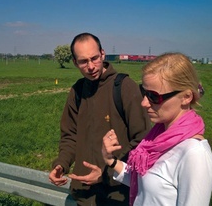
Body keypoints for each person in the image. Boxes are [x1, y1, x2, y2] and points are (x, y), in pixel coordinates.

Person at [49, 32, 151, 205]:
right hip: (84, 195)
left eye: (94, 58)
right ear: (75, 62)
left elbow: (143, 141)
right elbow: (70, 136)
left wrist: (107, 173)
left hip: (117, 194)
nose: (90, 66)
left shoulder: (124, 87)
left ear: (103, 54)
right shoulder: (77, 91)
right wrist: (61, 164)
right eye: (83, 61)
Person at [102, 52, 212, 206]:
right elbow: (145, 182)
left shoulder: (194, 154)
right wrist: (110, 160)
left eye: (154, 97)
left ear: (186, 97)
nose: (144, 103)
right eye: (144, 93)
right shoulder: (158, 136)